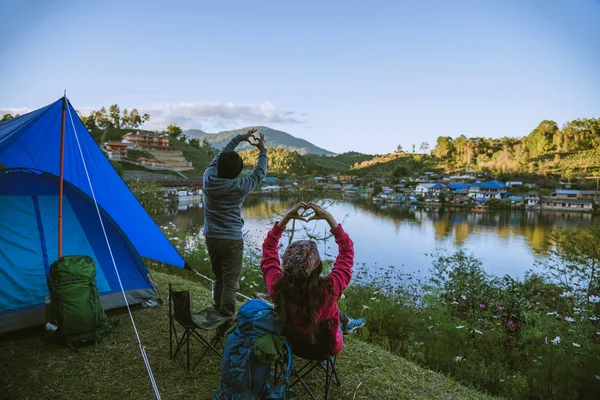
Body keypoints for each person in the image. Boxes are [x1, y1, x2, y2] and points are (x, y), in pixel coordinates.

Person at [260, 202, 365, 356]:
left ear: (286, 265)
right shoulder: (329, 289)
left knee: (331, 307)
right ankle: (347, 323)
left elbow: (269, 250)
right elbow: (346, 252)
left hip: (292, 346)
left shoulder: (277, 287)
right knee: (332, 308)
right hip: (326, 349)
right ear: (317, 267)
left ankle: (347, 322)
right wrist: (329, 218)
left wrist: (287, 217)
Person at [203, 128, 267, 327]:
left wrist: (240, 138)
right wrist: (262, 150)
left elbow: (219, 156)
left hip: (211, 236)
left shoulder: (208, 178)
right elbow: (259, 173)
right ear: (238, 173)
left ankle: (218, 308)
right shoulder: (240, 186)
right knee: (231, 282)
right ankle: (226, 318)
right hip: (231, 239)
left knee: (219, 276)